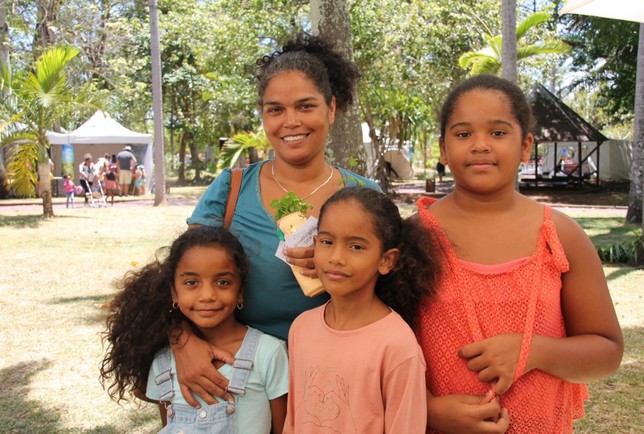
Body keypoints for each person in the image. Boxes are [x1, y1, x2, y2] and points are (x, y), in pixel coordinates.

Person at [177, 32, 381, 407]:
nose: (290, 122)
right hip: (241, 381)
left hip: (341, 382)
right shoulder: (231, 187)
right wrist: (183, 343)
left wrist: (341, 271)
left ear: (331, 109)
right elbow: (181, 277)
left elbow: (395, 290)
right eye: (275, 109)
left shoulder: (366, 196)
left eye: (305, 106)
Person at [415, 74, 624, 433]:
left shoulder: (560, 236)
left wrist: (533, 352)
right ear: (443, 149)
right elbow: (377, 345)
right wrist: (427, 410)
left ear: (526, 146)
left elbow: (606, 349)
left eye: (498, 133)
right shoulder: (413, 237)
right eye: (463, 134)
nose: (480, 145)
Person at [100, 226, 289, 434]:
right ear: (174, 293)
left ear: (240, 291)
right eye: (191, 282)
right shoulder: (163, 362)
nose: (207, 295)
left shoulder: (269, 354)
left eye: (222, 282)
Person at [283, 186, 438, 433]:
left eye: (356, 247)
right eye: (327, 242)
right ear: (315, 244)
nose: (336, 257)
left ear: (386, 260)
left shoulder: (397, 346)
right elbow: (293, 421)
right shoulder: (301, 328)